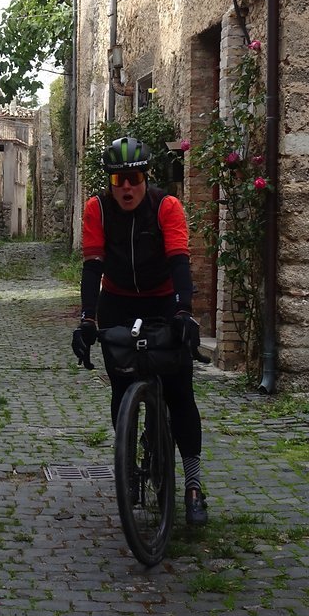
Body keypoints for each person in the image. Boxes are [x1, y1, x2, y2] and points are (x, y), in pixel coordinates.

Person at [70, 137, 208, 526]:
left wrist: (184, 310)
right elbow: (92, 266)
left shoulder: (167, 207)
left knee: (180, 392)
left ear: (145, 177)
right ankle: (128, 465)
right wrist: (87, 318)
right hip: (119, 301)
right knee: (121, 387)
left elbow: (180, 259)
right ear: (110, 182)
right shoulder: (97, 208)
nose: (126, 188)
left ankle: (194, 485)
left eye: (132, 179)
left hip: (163, 301)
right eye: (118, 181)